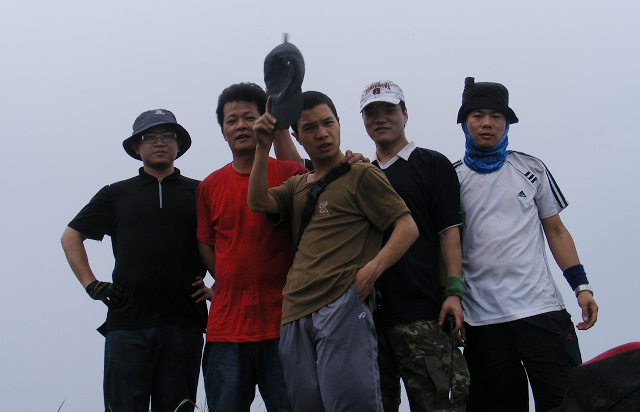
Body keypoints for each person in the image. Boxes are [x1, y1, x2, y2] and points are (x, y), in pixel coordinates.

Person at [248, 90, 420, 412]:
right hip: (294, 310)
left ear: (339, 124)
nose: (322, 133)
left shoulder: (362, 173)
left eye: (328, 123)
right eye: (310, 128)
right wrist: (262, 146)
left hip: (342, 302)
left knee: (352, 405)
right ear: (297, 137)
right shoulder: (298, 185)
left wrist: (371, 272)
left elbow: (407, 227)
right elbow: (257, 201)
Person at [452, 77, 599, 411]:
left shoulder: (531, 168)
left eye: (496, 116)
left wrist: (582, 288)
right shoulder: (451, 177)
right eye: (477, 115)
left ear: (507, 123)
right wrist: (452, 298)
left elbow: (556, 231)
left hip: (541, 310)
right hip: (482, 321)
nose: (487, 123)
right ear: (464, 122)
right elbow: (447, 245)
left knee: (567, 403)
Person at [60, 109, 207, 412]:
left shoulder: (201, 191)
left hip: (184, 323)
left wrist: (221, 287)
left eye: (167, 136)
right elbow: (71, 236)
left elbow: (230, 240)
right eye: (149, 137)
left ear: (179, 144)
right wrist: (91, 284)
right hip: (127, 325)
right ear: (137, 147)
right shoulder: (115, 194)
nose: (159, 142)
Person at [195, 82, 307, 412]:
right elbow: (206, 244)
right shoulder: (208, 187)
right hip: (226, 331)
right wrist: (229, 279)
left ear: (265, 122)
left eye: (249, 117)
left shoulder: (292, 174)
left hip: (284, 325)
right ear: (223, 131)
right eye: (231, 120)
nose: (241, 126)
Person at [360, 80, 469, 412]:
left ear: (405, 114)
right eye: (371, 112)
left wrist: (453, 293)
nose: (381, 118)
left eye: (389, 110)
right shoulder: (360, 174)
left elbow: (449, 234)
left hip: (424, 314)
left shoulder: (433, 164)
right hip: (370, 320)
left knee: (444, 403)